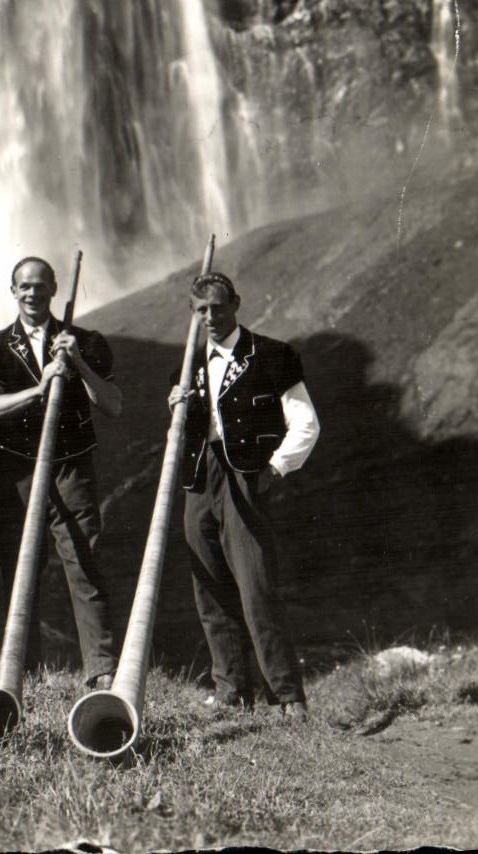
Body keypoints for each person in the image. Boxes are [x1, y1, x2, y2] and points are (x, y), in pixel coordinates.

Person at [169, 270, 320, 720]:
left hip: (246, 477)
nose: (210, 317)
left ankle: (287, 696)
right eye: (201, 310)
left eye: (218, 307)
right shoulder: (187, 367)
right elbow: (185, 435)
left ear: (235, 304)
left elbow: (306, 423)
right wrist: (177, 408)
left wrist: (276, 467)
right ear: (193, 314)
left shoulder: (272, 355)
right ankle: (232, 690)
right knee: (209, 587)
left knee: (256, 586)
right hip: (200, 480)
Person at [0, 255, 121, 689]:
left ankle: (102, 671)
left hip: (70, 468)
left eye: (40, 285)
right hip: (16, 470)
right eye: (25, 286)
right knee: (18, 565)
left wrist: (78, 363)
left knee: (83, 560)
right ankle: (23, 670)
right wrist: (41, 387)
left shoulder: (85, 341)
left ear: (54, 289)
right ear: (13, 291)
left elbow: (113, 405)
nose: (32, 293)